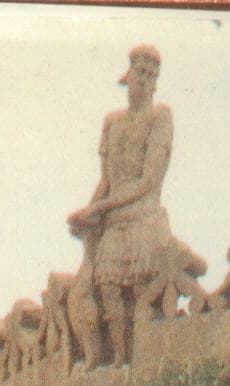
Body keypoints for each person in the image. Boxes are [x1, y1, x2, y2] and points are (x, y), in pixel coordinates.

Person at [68, 48, 181, 367]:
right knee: (107, 288)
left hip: (143, 219)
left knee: (140, 290)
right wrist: (88, 212)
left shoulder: (160, 117)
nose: (144, 80)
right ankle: (118, 359)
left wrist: (101, 205)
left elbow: (148, 180)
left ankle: (140, 360)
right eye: (139, 72)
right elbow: (106, 180)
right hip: (114, 224)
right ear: (127, 76)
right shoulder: (112, 122)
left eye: (150, 75)